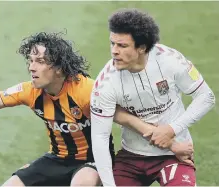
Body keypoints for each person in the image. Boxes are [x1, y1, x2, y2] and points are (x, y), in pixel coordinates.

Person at [0, 31, 194, 186]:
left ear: (59, 68)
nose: (31, 67)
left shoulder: (86, 90)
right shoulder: (29, 91)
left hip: (92, 161)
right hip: (56, 159)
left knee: (82, 183)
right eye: (30, 61)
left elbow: (130, 120)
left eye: (40, 61)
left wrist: (173, 145)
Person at [90, 8, 215, 186]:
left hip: (174, 154)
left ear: (142, 47)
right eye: (112, 44)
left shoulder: (171, 61)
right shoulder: (105, 83)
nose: (114, 51)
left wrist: (171, 129)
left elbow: (206, 97)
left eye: (122, 46)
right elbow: (100, 137)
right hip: (130, 157)